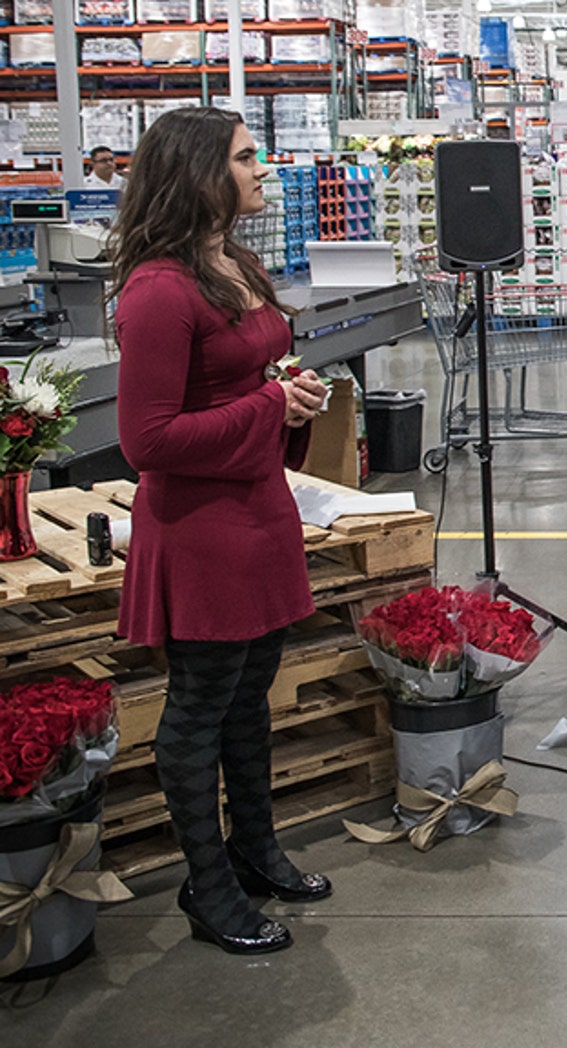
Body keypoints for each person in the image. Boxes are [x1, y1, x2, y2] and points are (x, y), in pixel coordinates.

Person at [109, 107, 332, 955]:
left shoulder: (230, 263)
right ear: (200, 171)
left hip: (259, 511)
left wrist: (288, 394)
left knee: (250, 700)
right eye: (246, 158)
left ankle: (256, 848)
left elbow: (253, 374)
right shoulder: (159, 291)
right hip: (200, 532)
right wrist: (270, 403)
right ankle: (206, 887)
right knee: (199, 708)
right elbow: (149, 442)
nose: (262, 170)